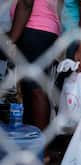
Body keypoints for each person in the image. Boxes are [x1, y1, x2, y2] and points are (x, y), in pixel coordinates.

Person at [6, 0, 60, 130]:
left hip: (34, 28)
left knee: (35, 90)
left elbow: (26, 3)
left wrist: (12, 38)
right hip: (45, 29)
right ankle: (32, 139)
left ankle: (38, 145)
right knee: (32, 89)